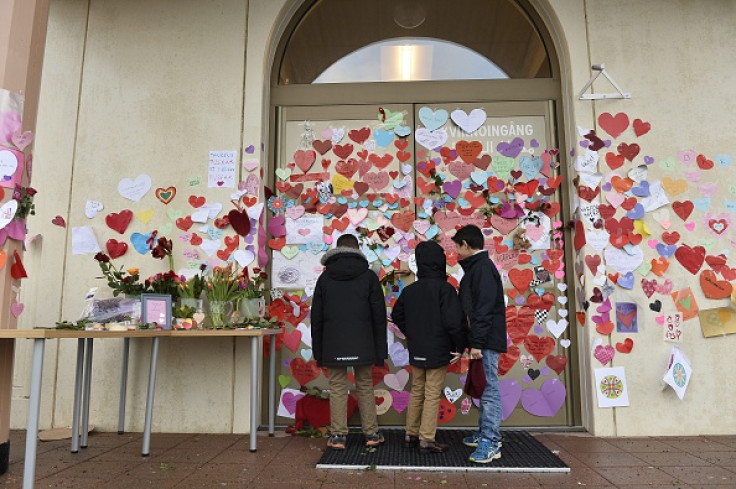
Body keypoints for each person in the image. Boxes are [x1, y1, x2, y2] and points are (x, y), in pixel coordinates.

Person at [311, 233, 388, 450]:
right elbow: (379, 316)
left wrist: (319, 350)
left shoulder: (325, 278)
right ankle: (372, 434)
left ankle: (338, 436)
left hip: (333, 341)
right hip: (363, 341)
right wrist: (380, 350)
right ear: (358, 250)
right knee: (364, 386)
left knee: (337, 387)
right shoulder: (369, 276)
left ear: (337, 250)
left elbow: (316, 317)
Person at [391, 240, 466, 453]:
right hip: (439, 348)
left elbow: (397, 315)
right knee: (432, 392)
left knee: (417, 390)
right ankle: (426, 439)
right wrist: (459, 346)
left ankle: (410, 434)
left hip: (417, 347)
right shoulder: (446, 289)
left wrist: (412, 333)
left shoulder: (410, 290)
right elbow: (454, 322)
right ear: (440, 262)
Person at [451, 225, 507, 463]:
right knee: (485, 386)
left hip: (485, 339)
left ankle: (492, 441)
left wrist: (476, 343)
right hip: (482, 338)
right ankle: (486, 432)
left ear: (465, 244)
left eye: (456, 245)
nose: (455, 250)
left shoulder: (481, 269)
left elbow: (483, 310)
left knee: (489, 387)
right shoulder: (477, 268)